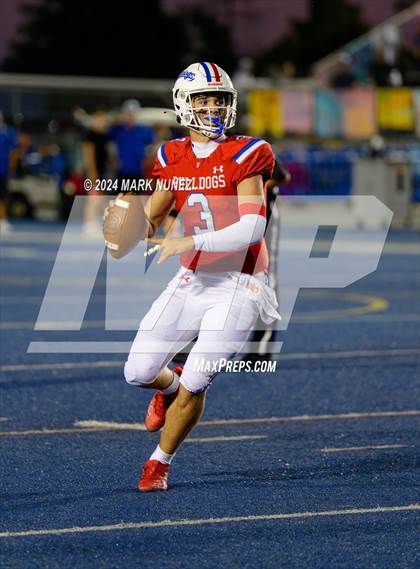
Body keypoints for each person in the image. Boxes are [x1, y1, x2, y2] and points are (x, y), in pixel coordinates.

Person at [106, 62, 280, 492]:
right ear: (184, 104)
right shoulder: (171, 155)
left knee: (198, 379)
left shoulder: (247, 152)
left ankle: (158, 463)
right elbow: (152, 219)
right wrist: (124, 225)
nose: (214, 107)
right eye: (204, 99)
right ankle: (168, 389)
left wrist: (190, 241)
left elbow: (252, 227)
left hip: (240, 282)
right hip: (192, 280)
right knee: (138, 371)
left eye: (220, 99)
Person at [110, 99, 155, 190]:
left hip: (138, 169)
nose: (130, 116)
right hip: (122, 169)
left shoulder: (144, 130)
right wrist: (113, 159)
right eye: (127, 113)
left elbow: (152, 146)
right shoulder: (117, 129)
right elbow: (108, 143)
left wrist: (147, 160)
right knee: (121, 195)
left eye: (132, 113)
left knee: (137, 195)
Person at [0, 111, 17, 234]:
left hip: (2, 170)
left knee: (2, 196)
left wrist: (12, 166)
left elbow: (13, 151)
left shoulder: (8, 132)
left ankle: (3, 220)